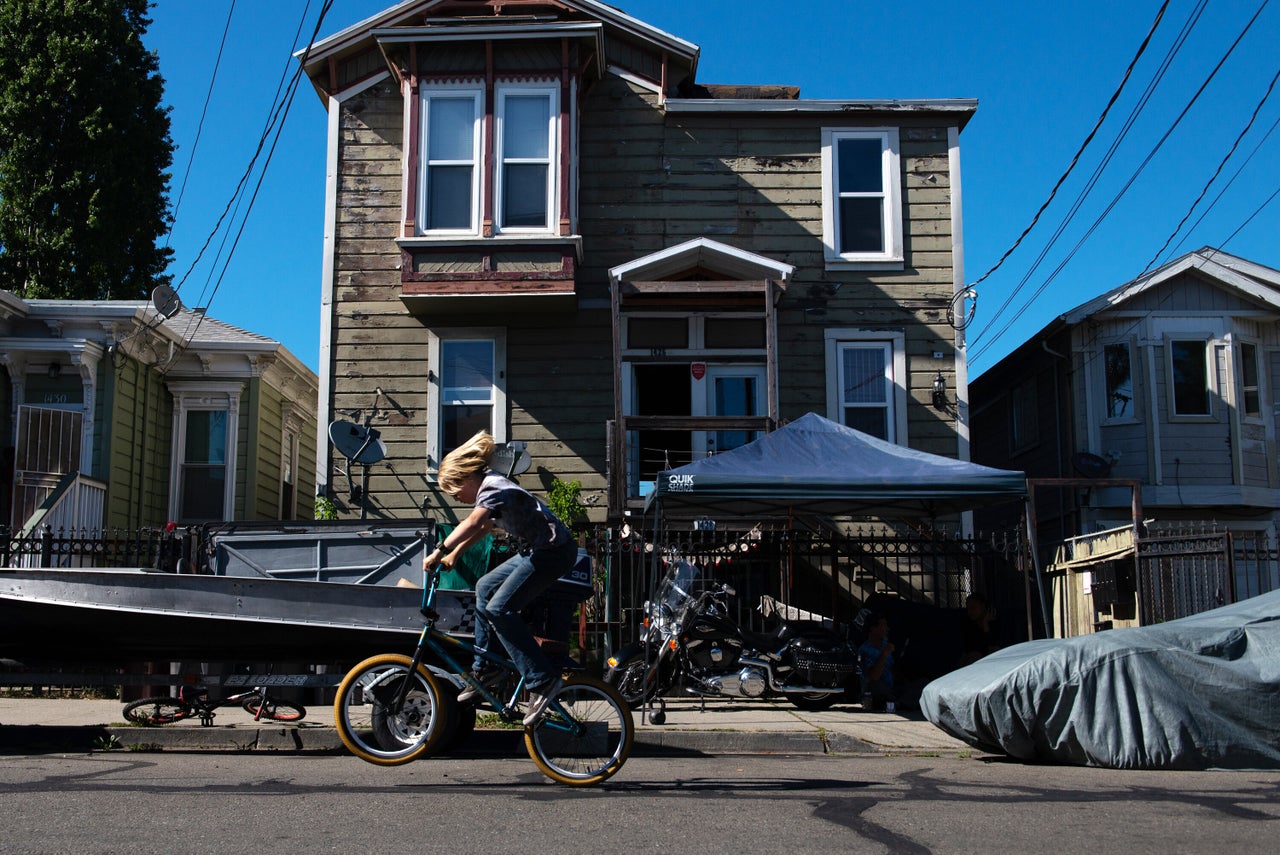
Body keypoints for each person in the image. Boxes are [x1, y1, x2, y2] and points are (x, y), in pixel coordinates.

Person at [421, 431, 578, 726]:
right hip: (538, 549)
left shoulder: (493, 486)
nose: (455, 497)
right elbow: (483, 527)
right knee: (484, 587)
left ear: (467, 478)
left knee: (499, 609)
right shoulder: (491, 491)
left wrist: (440, 549)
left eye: (454, 491)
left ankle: (542, 681)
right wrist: (456, 555)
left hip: (553, 551)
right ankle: (487, 667)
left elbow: (474, 522)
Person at [857, 615, 895, 711]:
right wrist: (884, 654)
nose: (887, 629)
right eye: (883, 625)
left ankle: (896, 701)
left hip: (890, 687)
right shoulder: (865, 650)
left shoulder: (885, 646)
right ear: (873, 628)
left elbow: (892, 668)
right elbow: (874, 676)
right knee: (876, 686)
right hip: (875, 689)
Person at [959, 593, 997, 666]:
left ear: (983, 606)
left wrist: (985, 624)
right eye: (968, 608)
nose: (969, 612)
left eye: (973, 608)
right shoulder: (968, 624)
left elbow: (992, 645)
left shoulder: (994, 623)